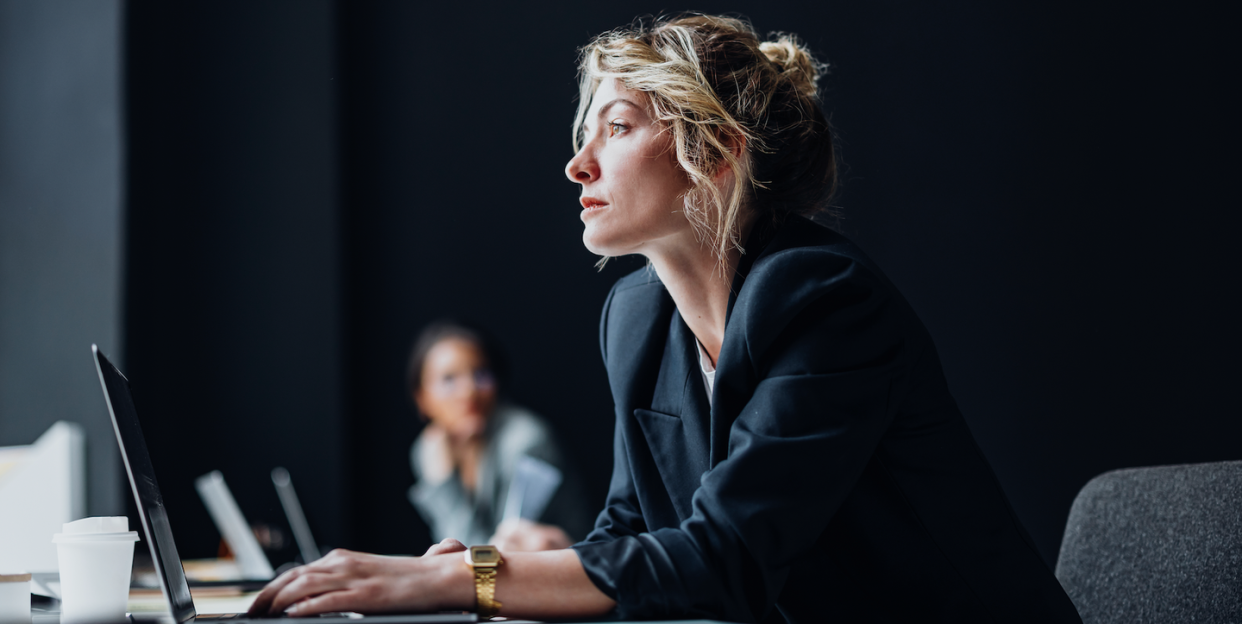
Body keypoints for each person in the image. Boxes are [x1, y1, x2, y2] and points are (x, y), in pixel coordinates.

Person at [249, 15, 1083, 623]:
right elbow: (634, 529)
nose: (578, 162)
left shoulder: (828, 303)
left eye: (616, 128)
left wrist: (467, 575)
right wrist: (534, 561)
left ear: (715, 154)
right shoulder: (636, 316)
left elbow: (724, 559)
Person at [405, 319, 592, 551]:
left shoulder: (526, 442)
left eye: (481, 374)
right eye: (449, 380)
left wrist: (444, 484)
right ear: (422, 399)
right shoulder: (430, 448)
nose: (469, 390)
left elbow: (487, 560)